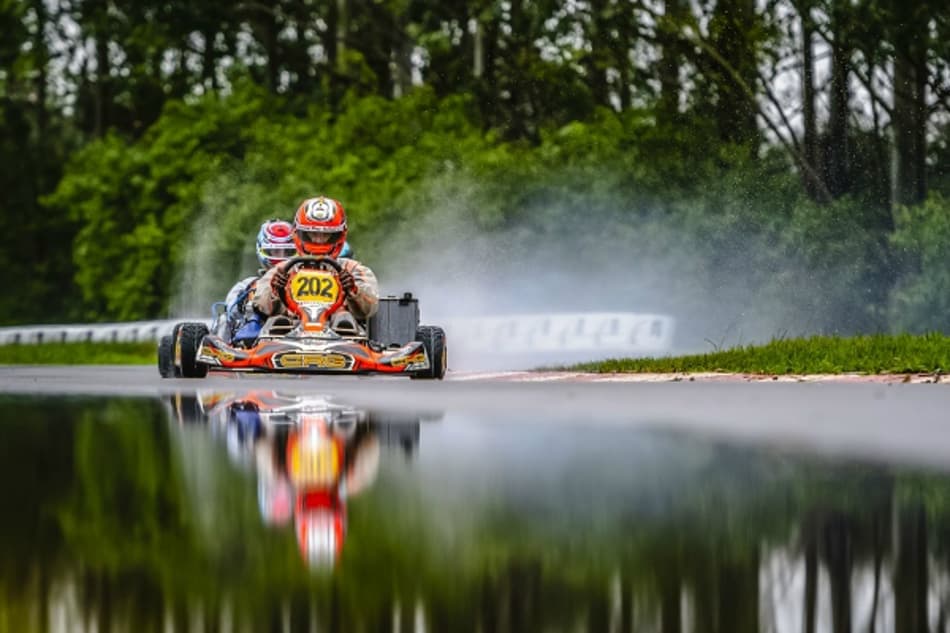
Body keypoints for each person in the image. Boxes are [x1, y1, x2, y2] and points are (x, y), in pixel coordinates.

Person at [254, 196, 378, 322]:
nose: (319, 240)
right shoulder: (282, 270)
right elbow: (261, 305)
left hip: (341, 336)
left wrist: (353, 290)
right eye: (313, 234)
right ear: (300, 233)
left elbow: (371, 307)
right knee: (276, 322)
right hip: (291, 334)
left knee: (343, 317)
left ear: (338, 235)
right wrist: (275, 290)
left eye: (326, 235)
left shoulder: (353, 270)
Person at [223, 219, 296, 345]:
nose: (281, 257)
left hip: (299, 330)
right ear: (264, 251)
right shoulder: (248, 285)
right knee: (223, 320)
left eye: (287, 252)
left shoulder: (303, 279)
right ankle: (225, 350)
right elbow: (230, 310)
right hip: (259, 336)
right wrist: (247, 303)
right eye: (276, 251)